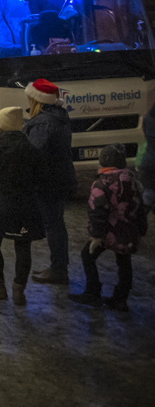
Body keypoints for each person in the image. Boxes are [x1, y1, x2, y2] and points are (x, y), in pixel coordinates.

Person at [0, 106, 44, 305]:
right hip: (26, 206)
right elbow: (41, 177)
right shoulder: (31, 149)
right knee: (23, 246)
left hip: (0, 206)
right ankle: (19, 289)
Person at [70, 144, 147, 311]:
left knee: (87, 255)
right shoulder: (133, 182)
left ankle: (92, 292)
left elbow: (97, 211)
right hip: (128, 232)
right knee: (124, 262)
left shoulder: (102, 184)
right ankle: (121, 298)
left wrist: (96, 235)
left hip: (107, 232)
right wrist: (141, 229)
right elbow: (140, 207)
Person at [23, 78, 76, 286]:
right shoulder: (59, 115)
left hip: (48, 182)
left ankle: (58, 270)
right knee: (56, 224)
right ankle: (58, 267)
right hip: (59, 178)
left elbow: (34, 151)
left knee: (53, 225)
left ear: (37, 99)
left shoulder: (44, 122)